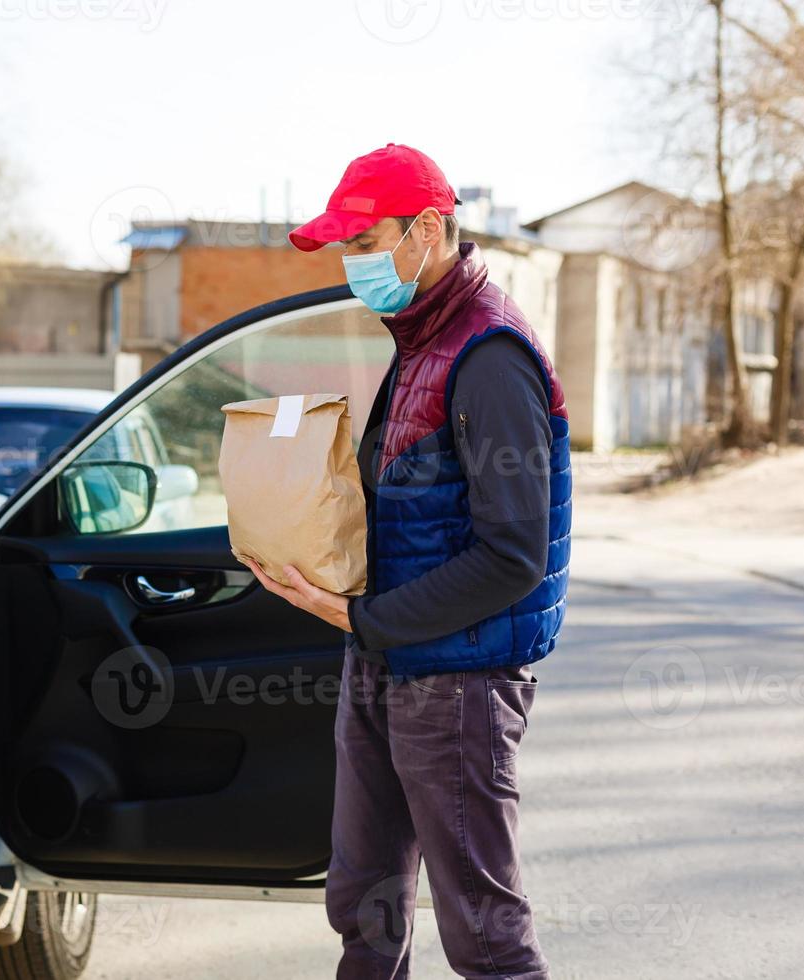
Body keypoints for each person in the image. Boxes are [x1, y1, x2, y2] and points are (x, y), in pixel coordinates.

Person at [239, 143, 571, 979]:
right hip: (386, 665)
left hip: (458, 686)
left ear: (427, 230)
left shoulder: (489, 355)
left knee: (487, 939)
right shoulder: (421, 338)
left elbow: (513, 555)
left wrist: (358, 616)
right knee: (367, 910)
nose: (353, 265)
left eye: (362, 241)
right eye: (344, 248)